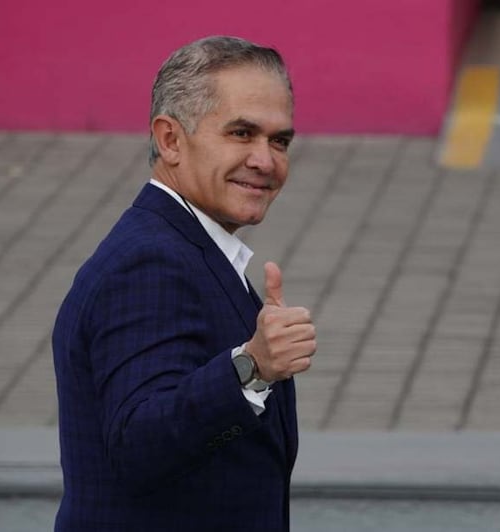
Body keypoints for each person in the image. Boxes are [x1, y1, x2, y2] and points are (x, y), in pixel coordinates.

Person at [52, 35, 317, 531]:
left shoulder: (185, 245)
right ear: (171, 140)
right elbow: (138, 446)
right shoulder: (150, 263)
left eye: (279, 140)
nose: (266, 160)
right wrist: (252, 367)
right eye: (242, 134)